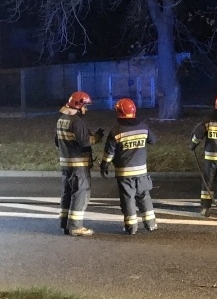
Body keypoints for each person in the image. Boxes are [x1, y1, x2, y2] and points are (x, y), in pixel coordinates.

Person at [100, 98, 158, 234]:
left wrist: (104, 166)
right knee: (144, 196)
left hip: (124, 173)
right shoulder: (143, 127)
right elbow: (153, 140)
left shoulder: (116, 131)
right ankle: (151, 224)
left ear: (118, 112)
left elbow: (109, 153)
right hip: (141, 171)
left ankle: (131, 227)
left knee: (128, 199)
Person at [55, 91, 104, 236]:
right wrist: (97, 137)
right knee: (81, 193)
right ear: (79, 105)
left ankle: (65, 224)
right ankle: (76, 227)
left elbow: (57, 141)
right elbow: (85, 142)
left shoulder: (61, 119)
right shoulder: (77, 122)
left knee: (68, 193)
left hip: (66, 164)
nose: (86, 109)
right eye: (85, 106)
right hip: (79, 165)